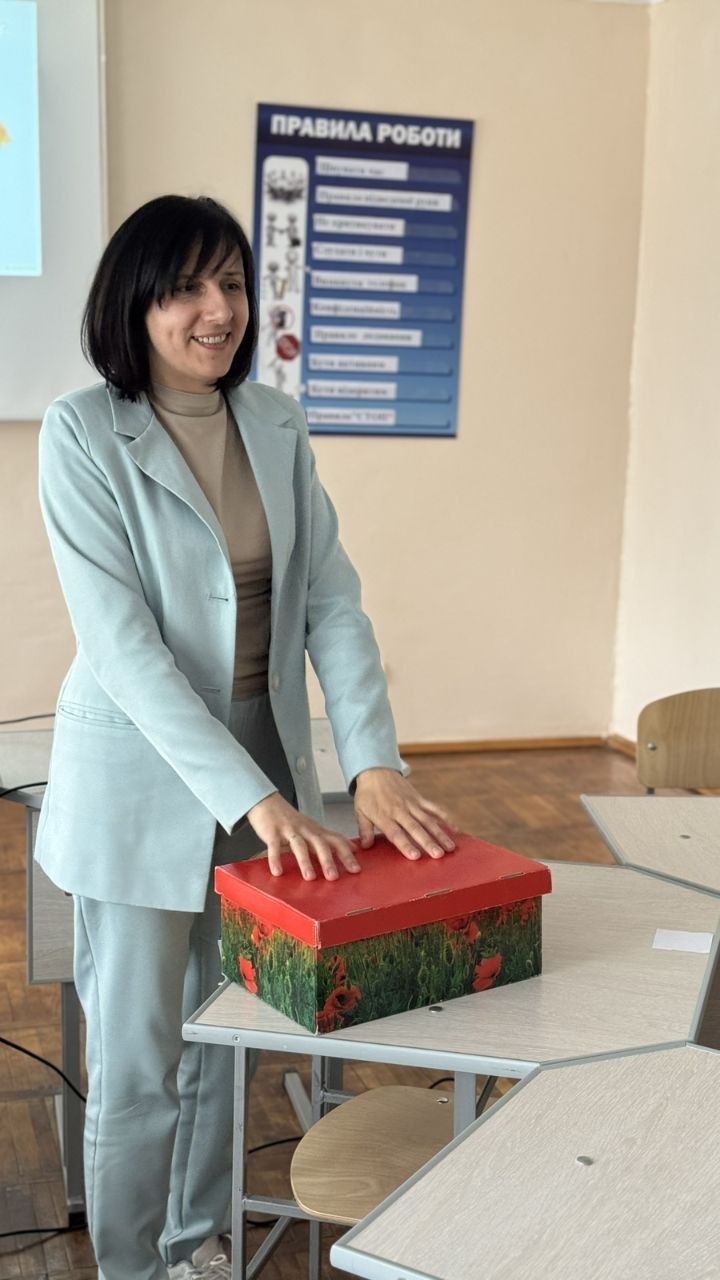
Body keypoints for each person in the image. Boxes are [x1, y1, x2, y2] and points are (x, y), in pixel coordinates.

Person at [36, 194, 455, 1280]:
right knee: (138, 1062)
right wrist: (254, 799)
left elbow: (331, 601)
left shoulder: (275, 421)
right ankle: (132, 1265)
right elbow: (125, 650)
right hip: (141, 783)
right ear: (134, 305)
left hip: (262, 771)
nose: (217, 309)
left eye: (229, 282)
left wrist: (371, 761)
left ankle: (197, 1240)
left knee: (225, 1037)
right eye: (186, 288)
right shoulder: (82, 432)